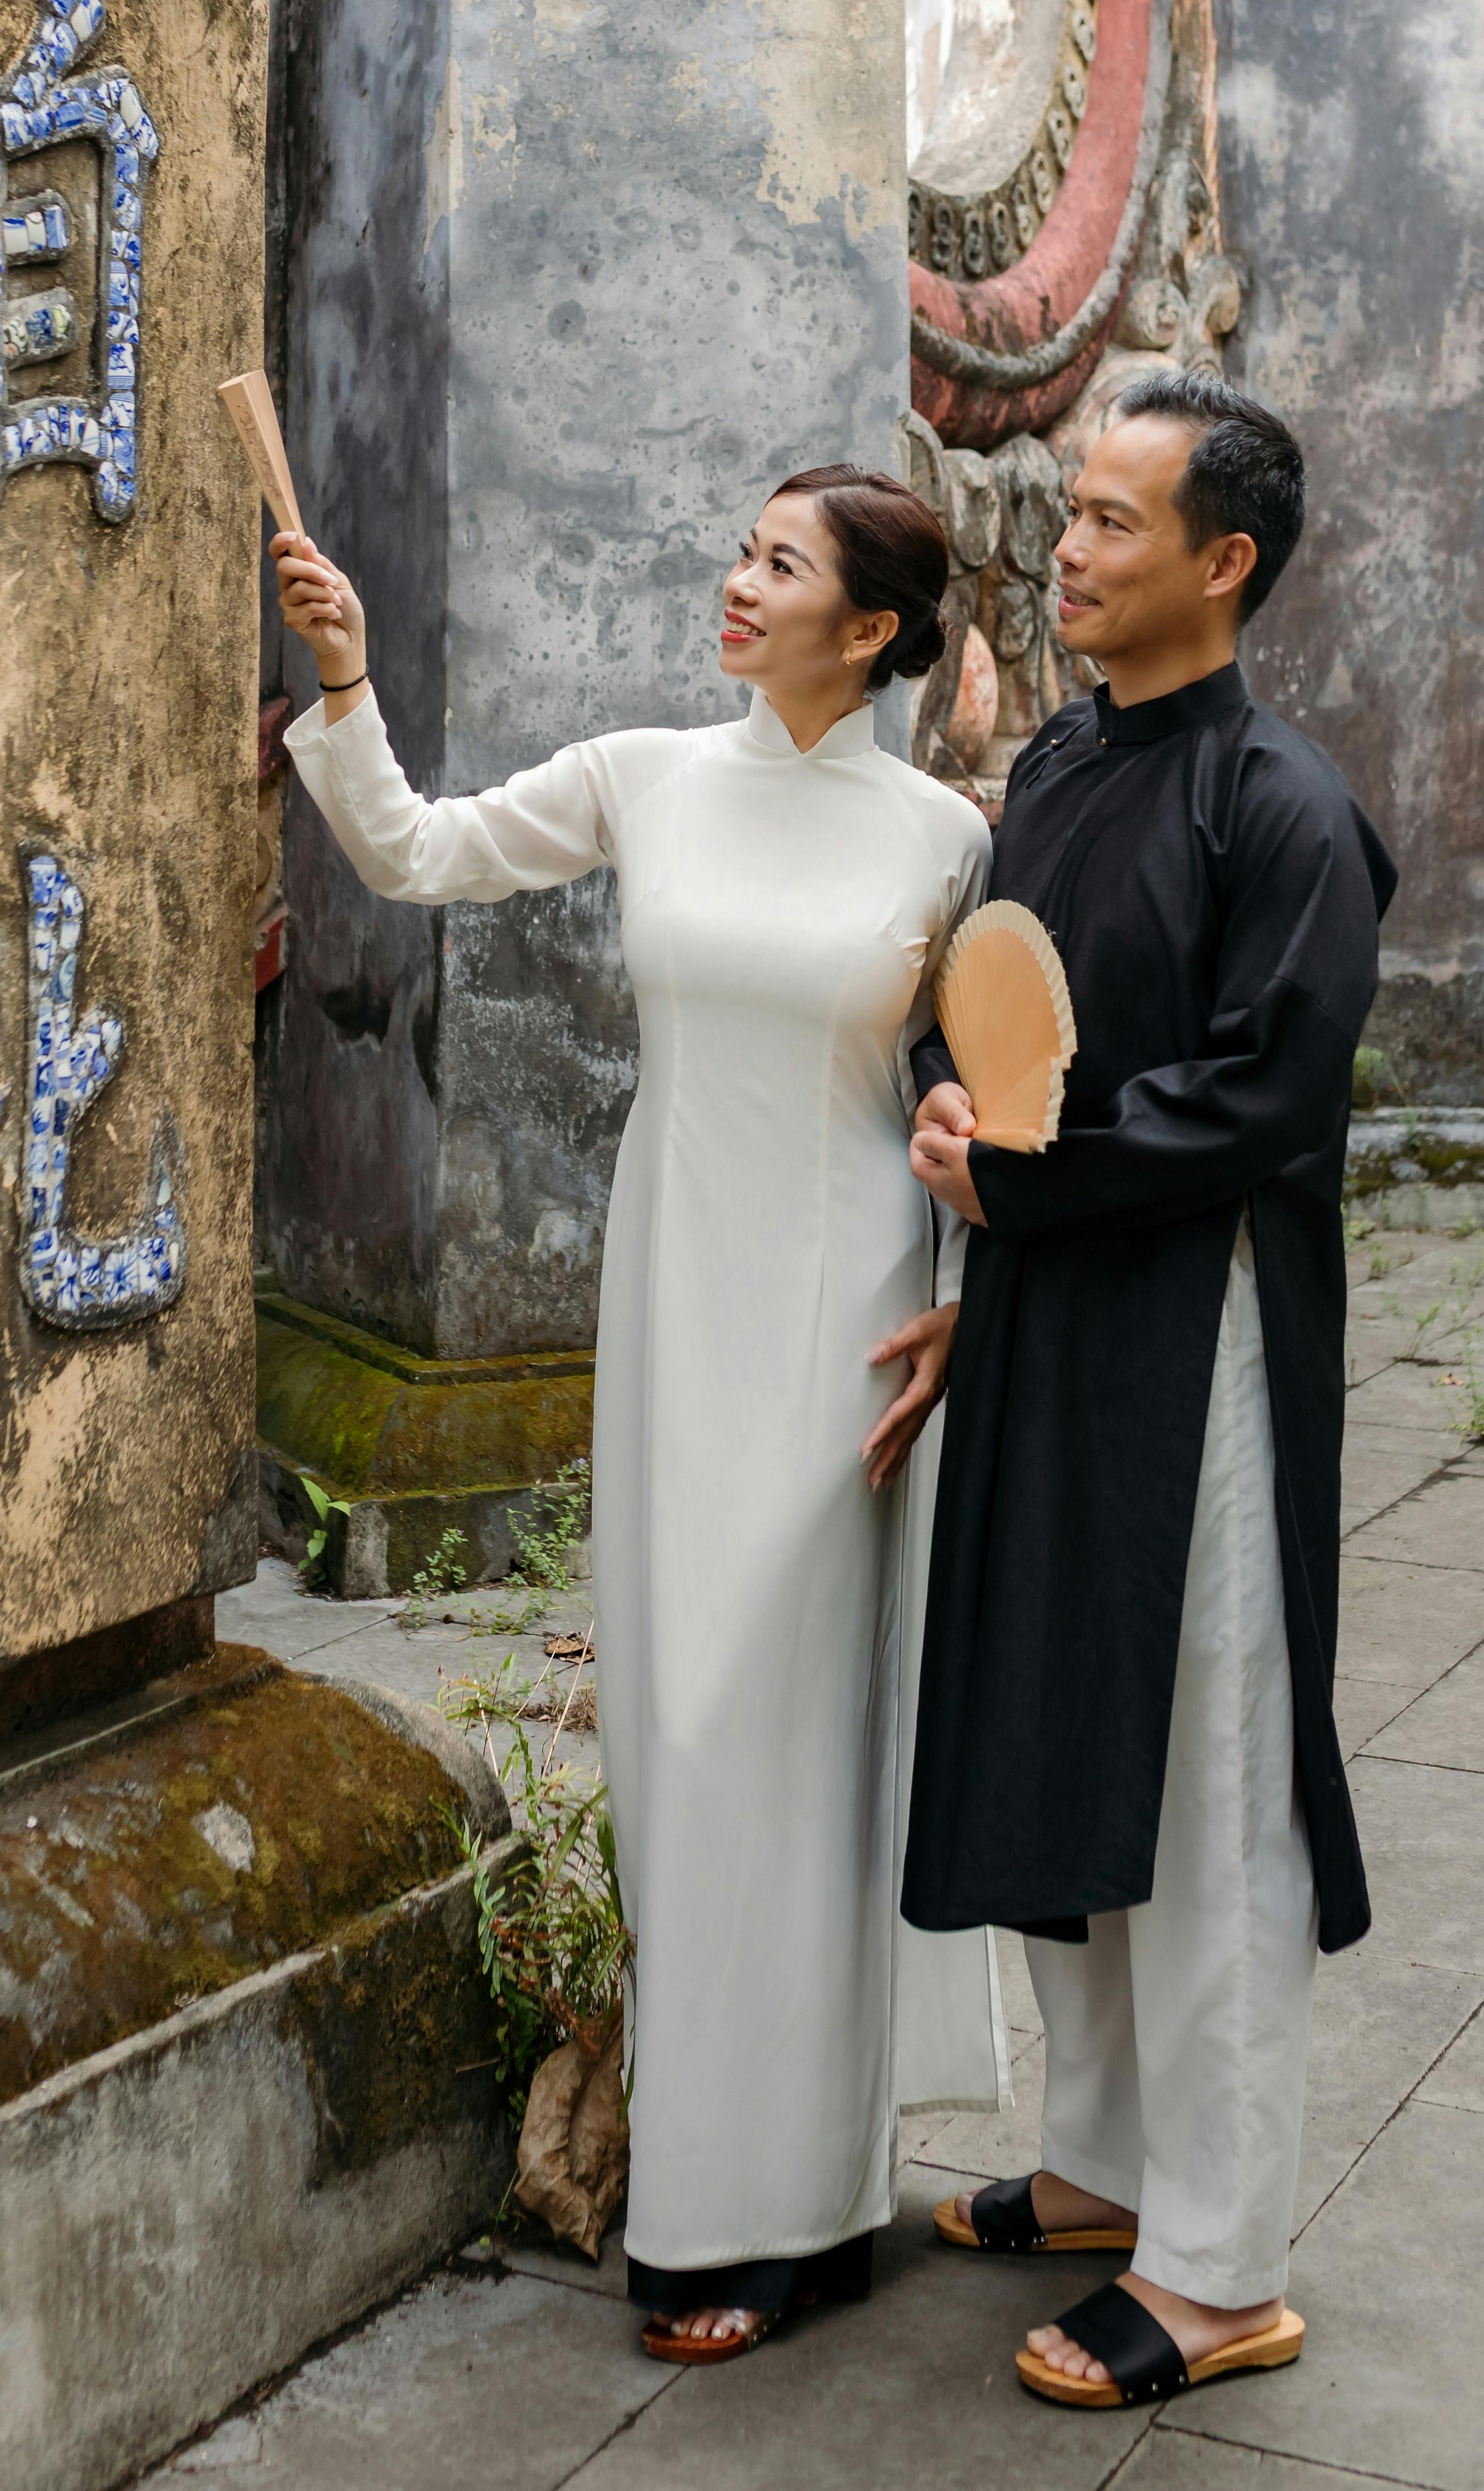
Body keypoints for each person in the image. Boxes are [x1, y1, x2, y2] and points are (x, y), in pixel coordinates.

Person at [270, 465, 994, 2362]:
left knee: (793, 1732)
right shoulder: (648, 772)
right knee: (684, 1743)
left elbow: (982, 1103)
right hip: (675, 1294)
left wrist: (964, 1304)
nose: (734, 583)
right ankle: (775, 2190)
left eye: (779, 565)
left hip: (851, 1307)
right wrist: (344, 688)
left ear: (870, 629)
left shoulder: (943, 837)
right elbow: (418, 849)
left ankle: (753, 2213)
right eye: (741, 552)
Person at [902, 366, 1396, 2417]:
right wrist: (966, 1200)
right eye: (1073, 511)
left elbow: (1262, 1094)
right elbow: (1011, 1016)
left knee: (1208, 1768)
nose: (1071, 547)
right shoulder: (1064, 767)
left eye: (1113, 520)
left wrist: (1027, 1167)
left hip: (1196, 1326)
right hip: (1042, 1306)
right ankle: (1103, 2161)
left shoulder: (1284, 809)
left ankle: (1217, 2265)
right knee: (1054, 1714)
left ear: (1225, 562)